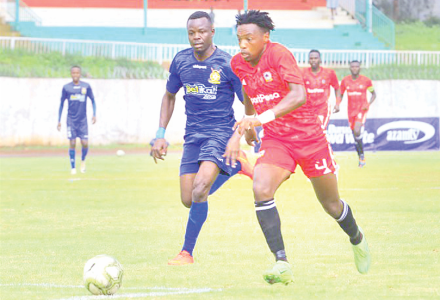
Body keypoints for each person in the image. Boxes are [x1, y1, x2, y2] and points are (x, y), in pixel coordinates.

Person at [224, 10, 371, 285]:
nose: (243, 44)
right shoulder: (238, 63)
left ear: (265, 37)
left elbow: (299, 95)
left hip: (310, 139)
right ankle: (282, 263)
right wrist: (251, 120)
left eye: (249, 39)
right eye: (239, 39)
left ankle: (357, 237)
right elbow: (247, 88)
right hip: (277, 140)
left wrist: (259, 118)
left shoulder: (279, 54)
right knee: (260, 188)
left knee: (331, 205)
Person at [150, 11, 252, 266]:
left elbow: (247, 104)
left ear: (212, 32)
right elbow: (169, 95)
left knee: (200, 187)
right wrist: (160, 134)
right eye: (192, 33)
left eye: (202, 32)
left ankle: (186, 252)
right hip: (192, 136)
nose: (196, 37)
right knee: (189, 199)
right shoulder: (181, 60)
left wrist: (241, 134)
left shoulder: (228, 64)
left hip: (220, 133)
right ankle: (236, 166)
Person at [334, 60, 377, 167]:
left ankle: (361, 156)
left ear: (359, 68)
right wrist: (338, 104)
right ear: (350, 68)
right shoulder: (345, 81)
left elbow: (373, 94)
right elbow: (341, 93)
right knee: (355, 135)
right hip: (350, 111)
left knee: (357, 130)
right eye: (352, 66)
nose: (354, 68)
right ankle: (361, 155)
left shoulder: (366, 81)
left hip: (361, 110)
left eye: (356, 66)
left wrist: (368, 104)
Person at [57, 66, 96, 175]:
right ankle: (73, 168)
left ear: (80, 74)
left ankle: (83, 161)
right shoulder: (66, 88)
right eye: (73, 73)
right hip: (71, 120)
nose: (75, 75)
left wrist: (94, 114)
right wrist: (59, 120)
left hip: (82, 121)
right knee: (72, 142)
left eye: (77, 73)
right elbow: (61, 104)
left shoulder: (86, 86)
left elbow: (93, 100)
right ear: (71, 74)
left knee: (84, 143)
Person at [302, 49, 341, 131]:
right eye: (311, 58)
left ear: (320, 60)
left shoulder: (329, 73)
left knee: (319, 131)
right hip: (307, 109)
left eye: (315, 58)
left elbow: (337, 88)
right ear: (308, 60)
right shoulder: (302, 73)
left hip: (322, 108)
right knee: (308, 132)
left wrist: (337, 103)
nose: (313, 60)